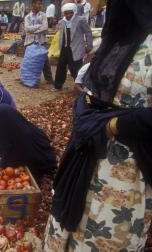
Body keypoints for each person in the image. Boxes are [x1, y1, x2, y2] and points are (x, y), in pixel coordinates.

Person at [45, 1, 152, 250]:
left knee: (105, 234)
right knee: (68, 226)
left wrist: (115, 125)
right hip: (86, 152)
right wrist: (85, 110)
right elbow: (95, 88)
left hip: (125, 167)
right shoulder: (117, 35)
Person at [54, 3, 92, 91]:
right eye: (66, 13)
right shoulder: (61, 22)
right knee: (61, 67)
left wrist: (89, 45)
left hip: (76, 48)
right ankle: (58, 86)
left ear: (74, 12)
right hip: (64, 48)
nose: (68, 15)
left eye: (70, 13)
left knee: (76, 68)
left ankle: (81, 87)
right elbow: (60, 36)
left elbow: (88, 32)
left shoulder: (80, 20)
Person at [24, 0, 54, 85]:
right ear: (33, 4)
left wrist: (33, 30)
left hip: (41, 41)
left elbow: (45, 27)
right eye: (38, 3)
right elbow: (27, 29)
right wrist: (38, 26)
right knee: (29, 61)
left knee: (45, 61)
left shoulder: (43, 15)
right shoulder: (27, 17)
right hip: (30, 42)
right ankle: (28, 80)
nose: (40, 5)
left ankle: (49, 79)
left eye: (41, 4)